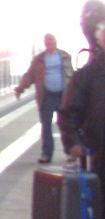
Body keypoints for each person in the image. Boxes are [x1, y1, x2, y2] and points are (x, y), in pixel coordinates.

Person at [57, 0, 105, 219]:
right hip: (99, 153)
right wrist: (73, 142)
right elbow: (68, 113)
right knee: (100, 205)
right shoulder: (87, 76)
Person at [15, 33, 73, 163]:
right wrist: (20, 88)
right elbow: (30, 76)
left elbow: (72, 76)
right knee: (46, 126)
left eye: (52, 40)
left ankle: (69, 151)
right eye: (48, 41)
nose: (50, 43)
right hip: (46, 96)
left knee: (64, 124)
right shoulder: (39, 59)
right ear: (45, 43)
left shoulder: (64, 56)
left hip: (63, 96)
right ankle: (47, 153)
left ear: (56, 41)